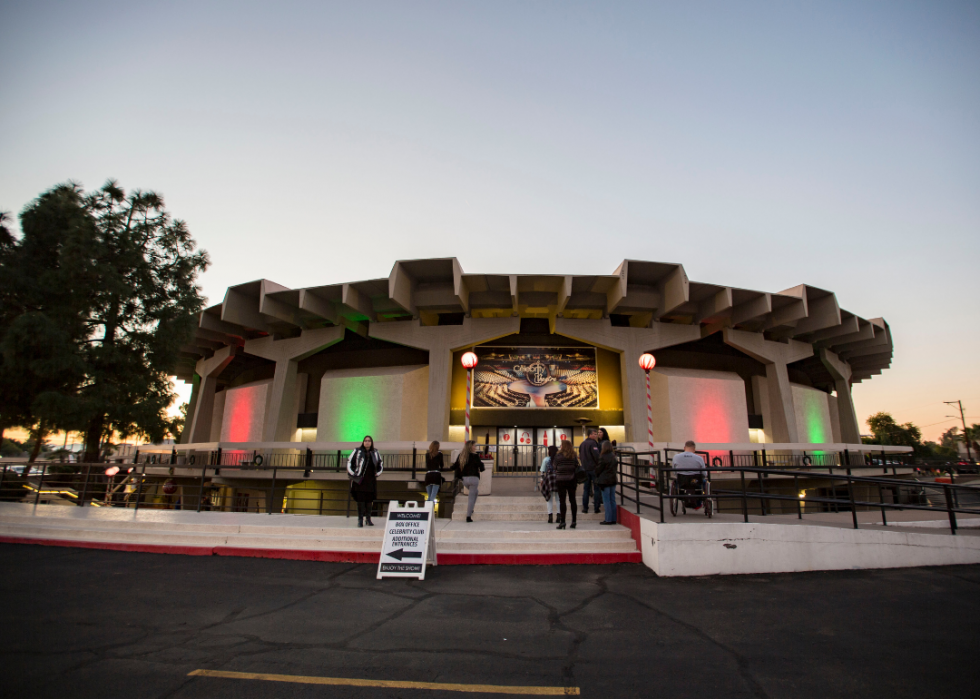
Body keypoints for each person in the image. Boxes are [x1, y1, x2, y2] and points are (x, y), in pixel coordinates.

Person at [347, 435, 384, 527]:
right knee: (361, 500)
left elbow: (380, 464)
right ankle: (360, 519)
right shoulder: (357, 451)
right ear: (363, 442)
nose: (367, 442)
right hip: (360, 480)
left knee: (369, 500)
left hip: (371, 480)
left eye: (369, 441)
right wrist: (353, 473)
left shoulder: (375, 452)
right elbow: (349, 462)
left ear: (371, 442)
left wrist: (378, 473)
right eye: (365, 440)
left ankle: (368, 518)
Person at [453, 440, 484, 523]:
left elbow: (455, 466)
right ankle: (468, 516)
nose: (475, 447)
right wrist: (480, 469)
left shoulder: (461, 455)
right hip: (474, 479)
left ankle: (471, 509)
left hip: (465, 480)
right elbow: (481, 467)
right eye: (474, 446)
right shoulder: (475, 456)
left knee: (475, 492)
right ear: (471, 447)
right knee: (471, 497)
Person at [671, 440, 706, 510]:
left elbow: (674, 471)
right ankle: (700, 502)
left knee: (676, 482)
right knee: (704, 482)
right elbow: (704, 473)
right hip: (695, 482)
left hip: (682, 481)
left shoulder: (676, 457)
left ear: (684, 448)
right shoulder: (699, 458)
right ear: (694, 449)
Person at [554, 440, 579, 529]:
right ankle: (574, 521)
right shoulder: (573, 455)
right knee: (573, 500)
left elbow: (555, 466)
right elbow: (576, 465)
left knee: (562, 501)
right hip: (572, 479)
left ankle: (563, 522)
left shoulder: (558, 456)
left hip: (561, 480)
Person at [594, 441, 618, 524]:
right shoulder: (614, 456)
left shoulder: (603, 457)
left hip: (605, 481)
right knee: (612, 500)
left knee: (606, 500)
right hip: (613, 480)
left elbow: (598, 469)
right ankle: (614, 519)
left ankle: (608, 519)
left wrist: (596, 473)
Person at [578, 429, 601, 515]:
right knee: (596, 489)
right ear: (590, 435)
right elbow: (597, 456)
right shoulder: (593, 443)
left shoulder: (582, 444)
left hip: (585, 469)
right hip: (593, 469)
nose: (596, 436)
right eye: (594, 434)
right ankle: (596, 508)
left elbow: (580, 455)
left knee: (586, 489)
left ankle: (585, 508)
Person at [539, 445, 559, 524]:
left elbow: (542, 471)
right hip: (558, 479)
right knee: (558, 498)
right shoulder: (558, 459)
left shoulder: (546, 459)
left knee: (549, 498)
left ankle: (550, 516)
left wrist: (542, 480)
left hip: (549, 479)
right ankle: (559, 515)